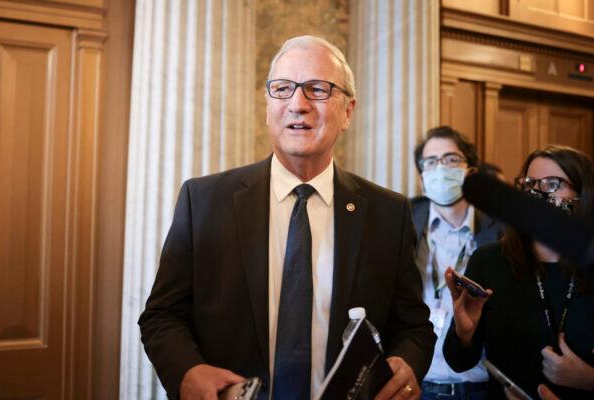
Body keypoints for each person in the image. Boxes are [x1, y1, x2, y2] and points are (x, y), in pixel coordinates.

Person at [139, 35, 436, 400]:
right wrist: (187, 372)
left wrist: (406, 362)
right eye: (282, 89)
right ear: (267, 106)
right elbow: (161, 316)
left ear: (348, 112)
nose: (298, 104)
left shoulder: (388, 213)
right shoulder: (203, 202)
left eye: (318, 89)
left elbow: (413, 327)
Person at [443, 145, 594, 399]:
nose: (536, 194)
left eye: (551, 184)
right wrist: (464, 332)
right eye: (529, 185)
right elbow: (459, 362)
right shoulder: (489, 260)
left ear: (583, 194)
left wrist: (589, 379)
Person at [411, 126, 504, 399]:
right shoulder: (403, 223)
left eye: (451, 159)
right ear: (422, 177)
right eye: (431, 162)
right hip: (417, 385)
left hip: (482, 386)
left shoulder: (501, 230)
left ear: (471, 171)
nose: (440, 169)